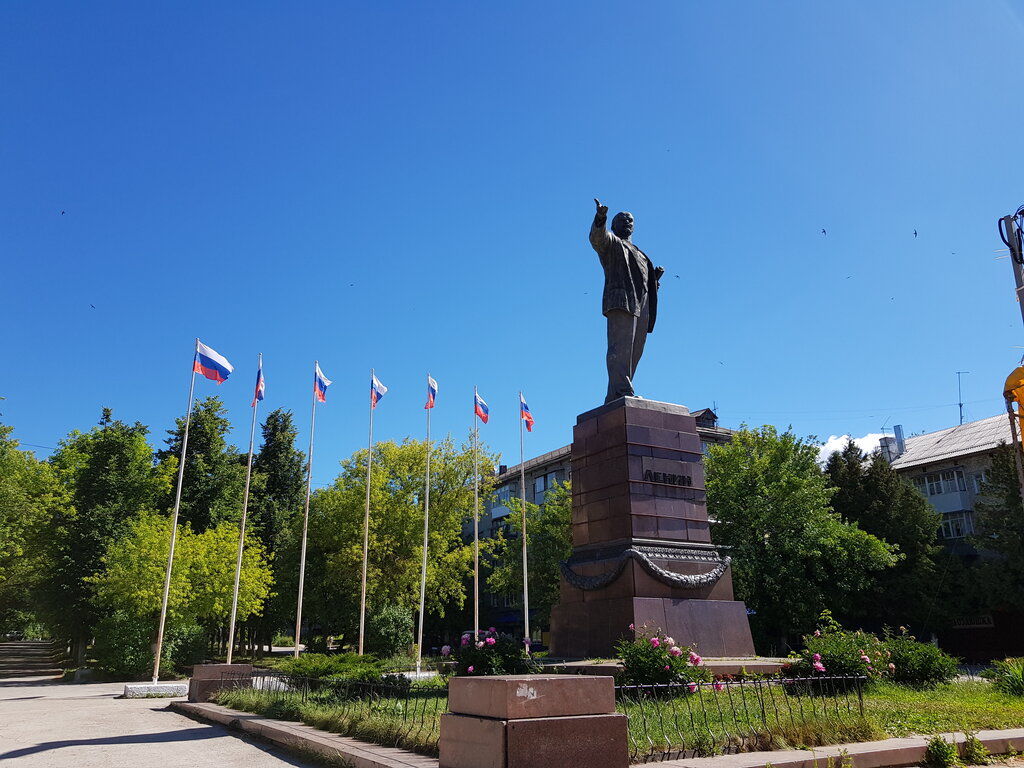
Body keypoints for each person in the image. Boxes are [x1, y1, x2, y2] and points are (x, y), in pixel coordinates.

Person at [590, 198, 664, 404]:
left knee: (634, 351)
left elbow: (642, 280)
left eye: (630, 220)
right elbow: (598, 239)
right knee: (620, 349)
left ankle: (616, 393)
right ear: (614, 226)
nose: (627, 222)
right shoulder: (613, 244)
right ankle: (621, 390)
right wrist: (601, 218)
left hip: (642, 304)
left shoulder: (641, 254)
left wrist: (654, 281)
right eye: (622, 220)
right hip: (621, 300)